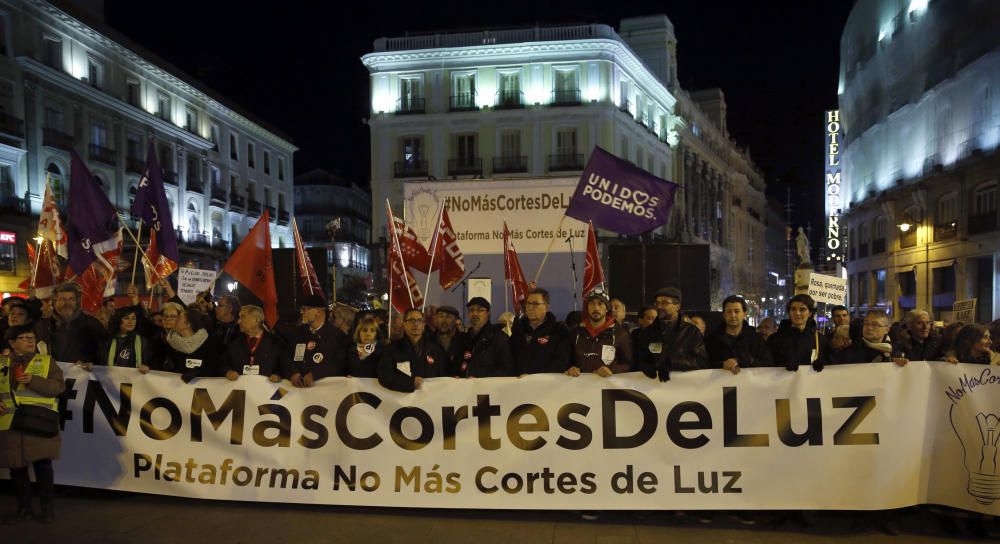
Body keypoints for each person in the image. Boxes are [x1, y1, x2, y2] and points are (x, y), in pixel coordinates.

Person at [0, 324, 65, 523]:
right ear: (12, 342)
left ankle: (47, 509)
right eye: (24, 338)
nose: (30, 341)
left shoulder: (46, 362)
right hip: (11, 426)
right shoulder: (2, 363)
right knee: (17, 469)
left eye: (32, 338)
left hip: (38, 425)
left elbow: (58, 387)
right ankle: (24, 506)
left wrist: (33, 381)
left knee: (43, 468)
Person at [635, 287, 707, 381]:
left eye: (664, 303)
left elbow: (701, 361)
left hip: (685, 387)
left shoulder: (691, 332)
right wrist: (647, 366)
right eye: (657, 303)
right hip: (654, 388)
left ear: (677, 306)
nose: (659, 306)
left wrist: (671, 363)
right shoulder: (648, 332)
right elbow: (639, 359)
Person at [283, 294, 347, 387]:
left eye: (305, 309)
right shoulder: (297, 333)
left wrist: (315, 374)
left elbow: (340, 364)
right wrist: (293, 372)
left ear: (317, 311)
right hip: (298, 392)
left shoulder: (336, 335)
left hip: (324, 392)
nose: (301, 312)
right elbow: (286, 356)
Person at [39, 282, 108, 368]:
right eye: (62, 299)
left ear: (77, 302)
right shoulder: (46, 323)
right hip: (52, 376)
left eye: (71, 299)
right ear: (54, 302)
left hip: (82, 377)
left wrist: (93, 364)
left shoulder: (91, 323)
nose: (67, 303)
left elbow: (105, 351)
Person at [377, 307, 448, 392]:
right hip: (401, 402)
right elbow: (384, 376)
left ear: (424, 324)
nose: (416, 324)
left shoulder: (436, 349)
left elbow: (444, 377)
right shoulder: (392, 349)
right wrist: (410, 383)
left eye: (419, 320)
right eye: (411, 320)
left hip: (429, 401)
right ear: (404, 323)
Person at [569, 292, 633, 377]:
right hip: (580, 386)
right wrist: (570, 368)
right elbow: (566, 360)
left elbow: (629, 364)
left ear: (607, 308)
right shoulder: (576, 333)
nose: (596, 308)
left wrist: (612, 370)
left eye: (600, 303)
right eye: (592, 304)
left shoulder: (620, 334)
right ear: (587, 308)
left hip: (607, 387)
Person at [706, 295, 774, 374]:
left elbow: (769, 363)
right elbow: (704, 363)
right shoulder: (712, 339)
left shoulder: (756, 338)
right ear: (724, 315)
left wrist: (745, 361)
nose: (733, 315)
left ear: (744, 314)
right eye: (729, 311)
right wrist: (722, 365)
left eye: (737, 311)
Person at [511, 288, 572, 375]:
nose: (530, 307)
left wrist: (533, 377)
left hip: (546, 384)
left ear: (546, 307)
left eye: (536, 304)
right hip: (517, 383)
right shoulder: (518, 329)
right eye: (528, 303)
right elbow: (509, 358)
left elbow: (561, 363)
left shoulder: (559, 332)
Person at [767, 294, 829, 371]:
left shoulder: (820, 340)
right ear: (789, 312)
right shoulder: (775, 339)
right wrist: (782, 364)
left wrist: (823, 363)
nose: (797, 313)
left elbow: (832, 364)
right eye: (793, 309)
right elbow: (766, 364)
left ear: (810, 313)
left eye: (802, 309)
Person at [222, 305, 283, 382]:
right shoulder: (234, 343)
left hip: (267, 389)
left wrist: (278, 375)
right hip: (241, 388)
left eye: (243, 317)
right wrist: (228, 372)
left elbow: (284, 365)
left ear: (256, 320)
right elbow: (224, 363)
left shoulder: (276, 343)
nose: (238, 321)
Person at [458, 297, 514, 377]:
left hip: (487, 388)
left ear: (488, 313)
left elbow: (506, 368)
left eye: (480, 310)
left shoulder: (498, 337)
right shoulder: (463, 338)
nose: (474, 313)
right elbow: (457, 364)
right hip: (464, 387)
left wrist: (481, 380)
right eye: (471, 310)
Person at [829, 309, 901, 365]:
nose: (869, 328)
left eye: (875, 325)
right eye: (866, 324)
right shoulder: (851, 350)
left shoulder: (896, 351)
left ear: (886, 330)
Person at [100, 306, 151, 371]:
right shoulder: (108, 340)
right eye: (126, 318)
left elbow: (149, 363)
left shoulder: (142, 341)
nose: (131, 322)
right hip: (113, 379)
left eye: (133, 318)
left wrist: (146, 367)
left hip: (134, 380)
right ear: (118, 320)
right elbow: (101, 363)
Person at [434, 306, 468, 376]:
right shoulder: (428, 340)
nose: (444, 320)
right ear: (436, 319)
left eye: (448, 317)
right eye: (440, 316)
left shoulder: (465, 340)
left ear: (456, 320)